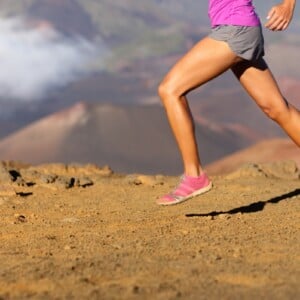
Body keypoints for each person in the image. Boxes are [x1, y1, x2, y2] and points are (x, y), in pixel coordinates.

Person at [157, 0, 299, 206]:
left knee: (170, 90)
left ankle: (194, 176)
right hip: (241, 28)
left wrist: (288, 6)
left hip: (235, 30)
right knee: (276, 108)